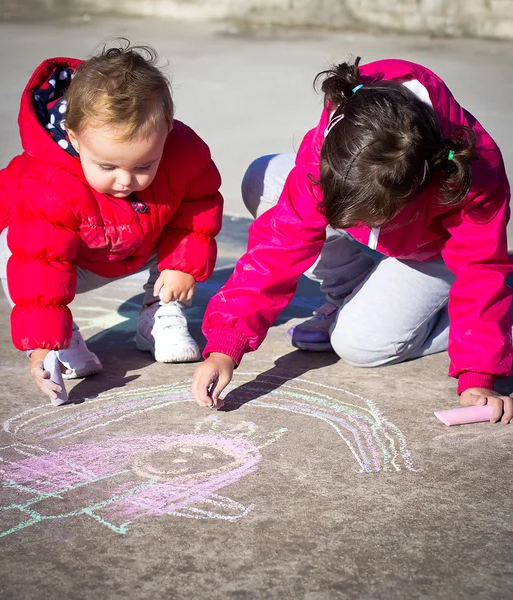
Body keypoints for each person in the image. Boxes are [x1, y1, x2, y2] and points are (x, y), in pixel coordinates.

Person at [192, 57, 513, 424]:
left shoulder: (470, 167)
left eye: (370, 214)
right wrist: (225, 346)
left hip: (429, 255)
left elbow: (480, 267)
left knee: (359, 344)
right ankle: (349, 295)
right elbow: (281, 242)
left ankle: (493, 327)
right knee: (264, 176)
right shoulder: (342, 136)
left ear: (417, 186)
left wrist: (480, 372)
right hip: (386, 232)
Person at [0, 41, 223, 402]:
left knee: (179, 229)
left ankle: (158, 313)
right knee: (14, 246)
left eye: (144, 165)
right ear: (74, 139)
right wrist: (43, 343)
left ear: (167, 132)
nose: (126, 180)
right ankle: (63, 341)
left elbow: (199, 206)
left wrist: (182, 265)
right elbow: (40, 266)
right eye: (108, 167)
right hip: (77, 262)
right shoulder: (51, 184)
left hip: (142, 244)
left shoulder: (183, 153)